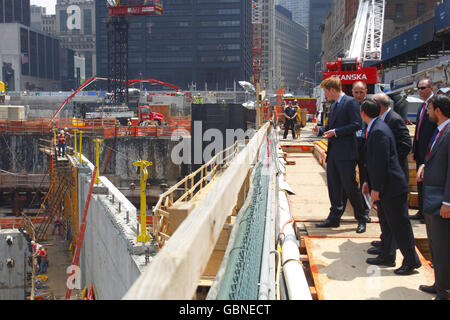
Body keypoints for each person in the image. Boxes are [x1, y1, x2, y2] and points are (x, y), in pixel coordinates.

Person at [361, 99, 421, 274]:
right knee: (388, 224)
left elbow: (381, 162)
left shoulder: (379, 131)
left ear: (363, 113)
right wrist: (369, 183)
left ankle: (411, 261)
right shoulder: (377, 126)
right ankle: (387, 255)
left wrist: (376, 188)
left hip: (391, 186)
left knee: (400, 226)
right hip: (388, 185)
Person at [312, 77, 369, 233]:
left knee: (350, 187)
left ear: (332, 90)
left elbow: (356, 124)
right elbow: (331, 126)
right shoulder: (335, 105)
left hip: (346, 153)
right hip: (335, 152)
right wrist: (321, 130)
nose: (325, 95)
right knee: (334, 185)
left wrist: (336, 132)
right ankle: (334, 217)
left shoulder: (350, 103)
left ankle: (361, 217)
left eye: (325, 92)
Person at [367, 93, 413, 256]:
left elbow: (406, 144)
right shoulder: (380, 122)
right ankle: (386, 243)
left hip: (392, 177)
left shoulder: (394, 120)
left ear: (378, 105)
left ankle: (393, 249)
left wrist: (391, 162)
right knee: (384, 215)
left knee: (395, 218)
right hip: (385, 177)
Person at [416, 94, 450, 300]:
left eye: (429, 109)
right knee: (435, 244)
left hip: (441, 201)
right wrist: (424, 166)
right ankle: (439, 283)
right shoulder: (440, 131)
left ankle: (445, 289)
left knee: (443, 245)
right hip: (432, 198)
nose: (427, 112)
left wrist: (448, 201)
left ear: (438, 110)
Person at [341, 81, 370, 220]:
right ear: (352, 92)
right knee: (348, 179)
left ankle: (365, 210)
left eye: (361, 92)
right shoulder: (348, 106)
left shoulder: (370, 106)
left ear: (366, 91)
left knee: (365, 178)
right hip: (351, 146)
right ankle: (345, 208)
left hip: (365, 147)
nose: (359, 95)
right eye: (356, 92)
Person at [411, 78, 437, 222]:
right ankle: (421, 211)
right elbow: (418, 130)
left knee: (428, 183)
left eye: (423, 88)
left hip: (430, 152)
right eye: (418, 88)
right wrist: (415, 149)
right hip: (420, 151)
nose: (420, 91)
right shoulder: (422, 106)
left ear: (430, 88)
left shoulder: (435, 105)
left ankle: (427, 213)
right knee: (420, 182)